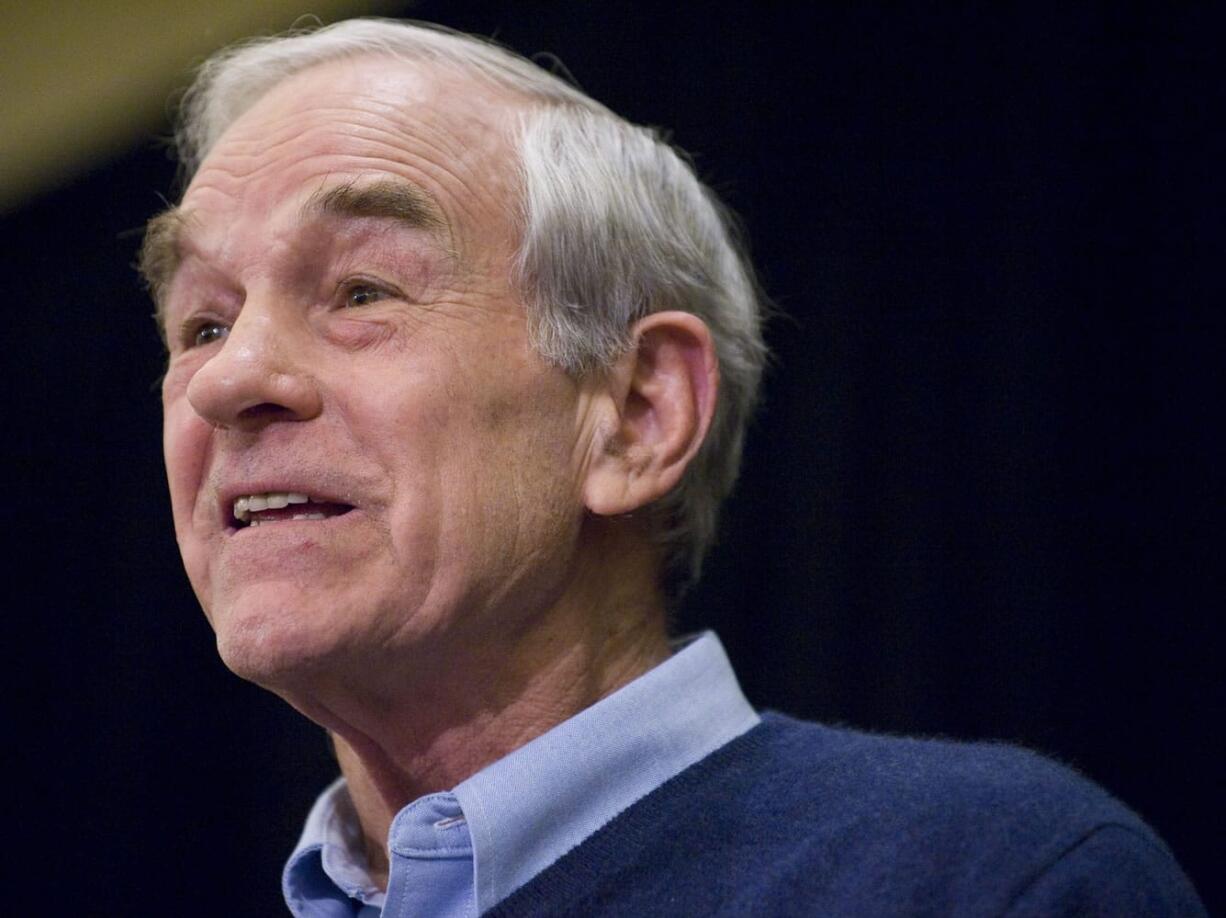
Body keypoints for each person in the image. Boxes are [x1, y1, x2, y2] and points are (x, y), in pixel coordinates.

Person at [140, 18, 1205, 917]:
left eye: (363, 291)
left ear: (637, 413)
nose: (230, 380)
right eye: (200, 322)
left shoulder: (988, 879)